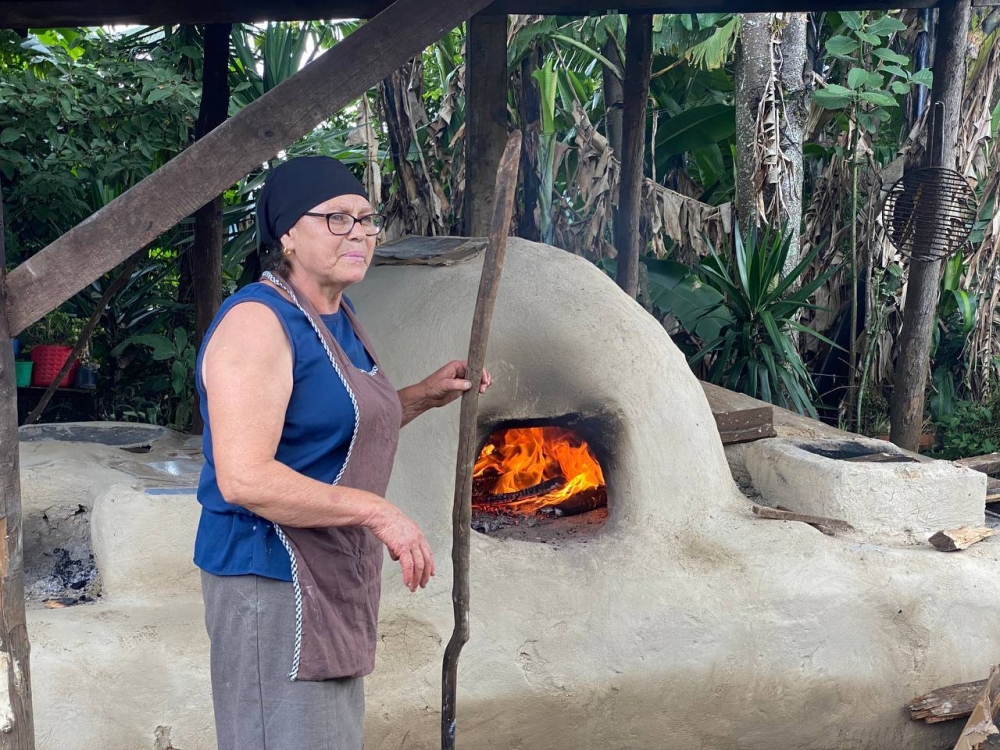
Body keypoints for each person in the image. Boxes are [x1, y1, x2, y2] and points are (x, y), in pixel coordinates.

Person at [193, 155, 491, 750]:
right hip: (270, 579)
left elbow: (333, 429)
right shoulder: (259, 323)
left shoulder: (335, 315)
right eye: (336, 219)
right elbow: (244, 478)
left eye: (365, 219)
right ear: (287, 236)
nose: (358, 232)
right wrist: (379, 512)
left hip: (327, 573)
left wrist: (423, 397)